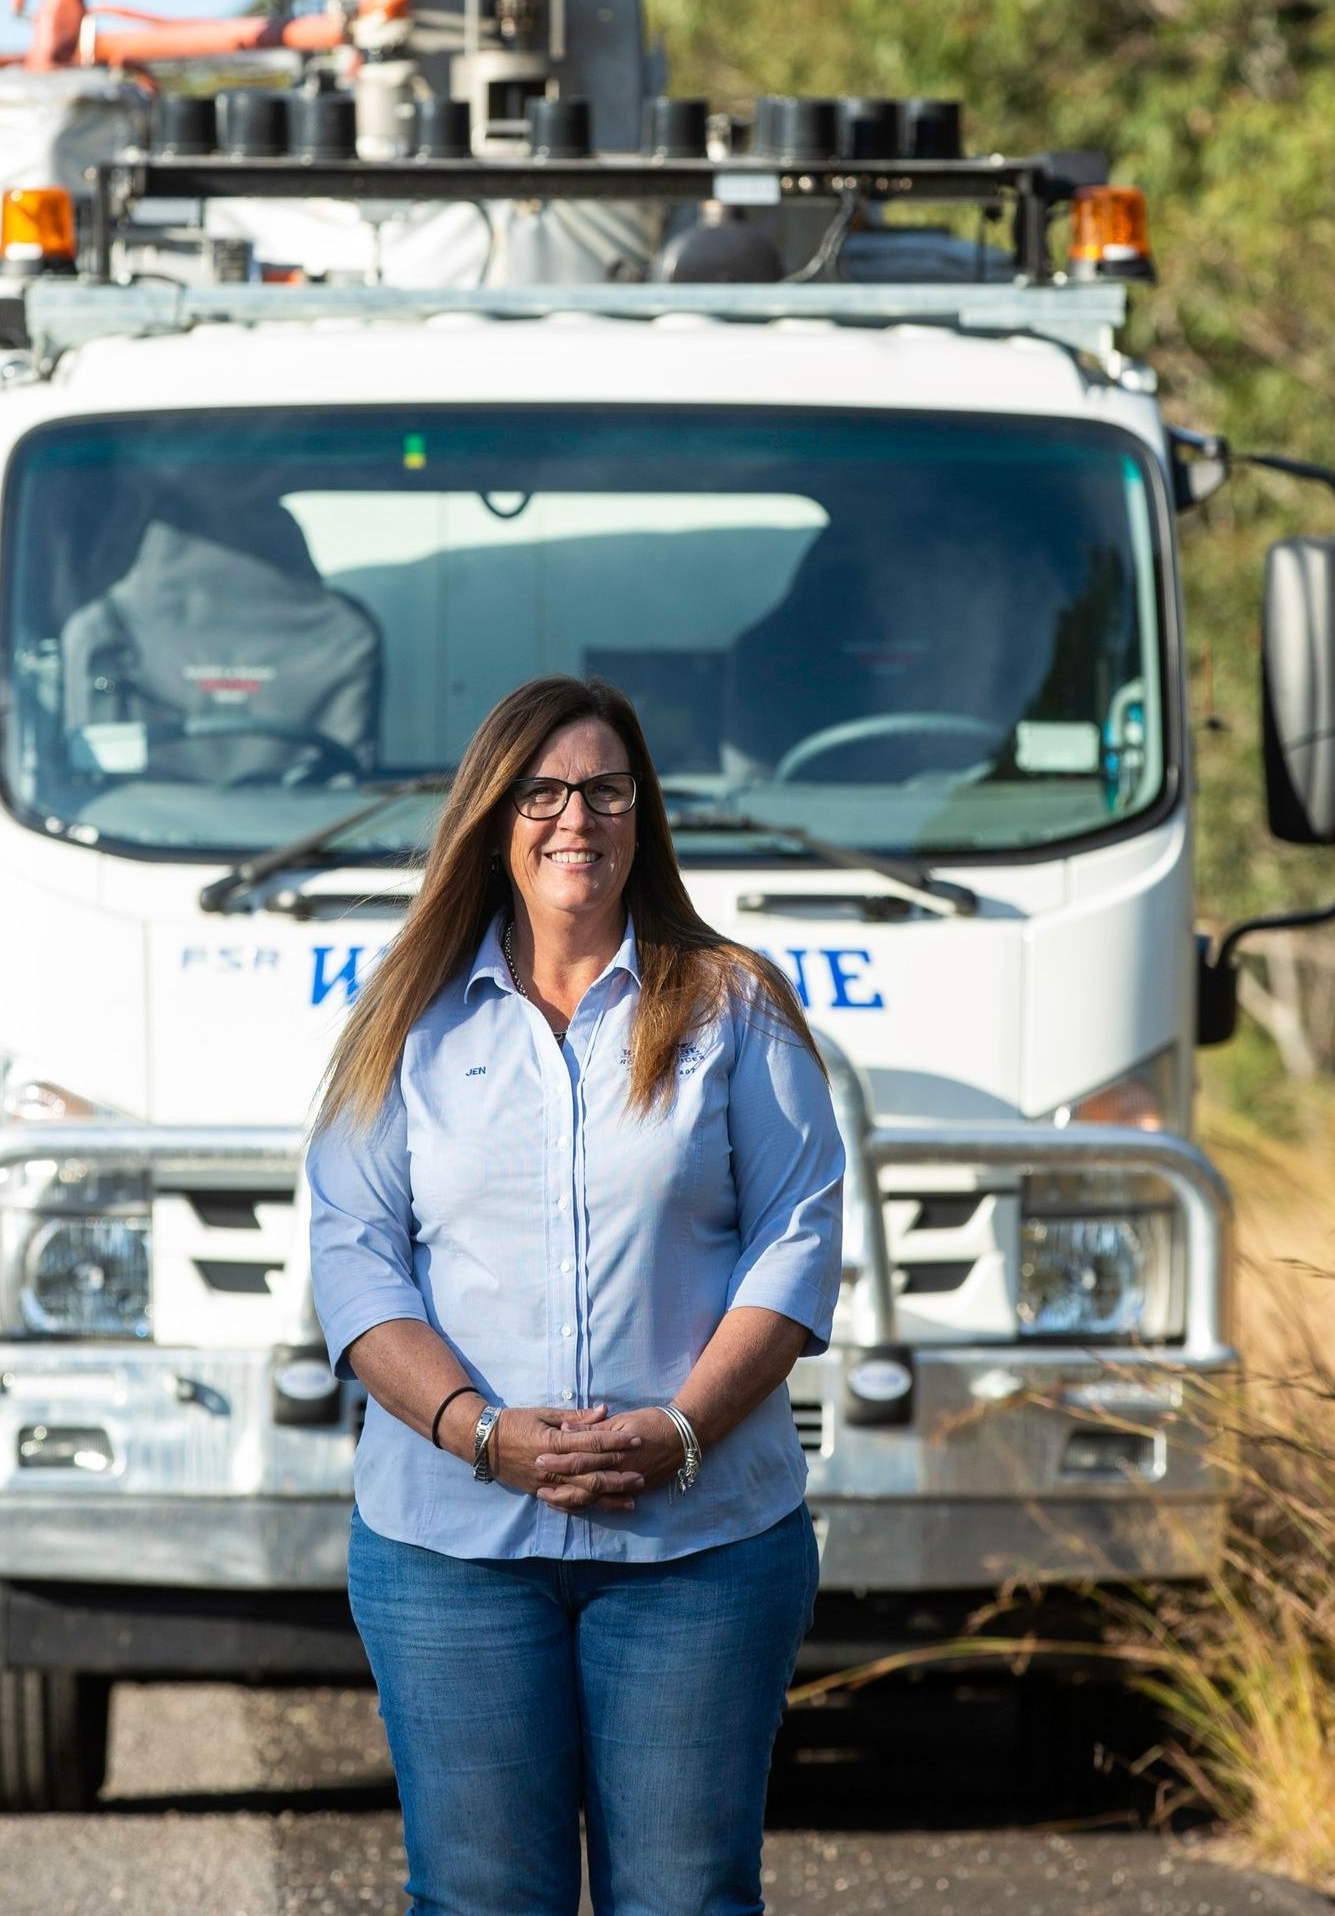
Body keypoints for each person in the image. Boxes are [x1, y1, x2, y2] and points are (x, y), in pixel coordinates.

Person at [306, 673, 845, 1916]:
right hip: (451, 1549)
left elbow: (798, 1237)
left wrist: (684, 1429)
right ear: (493, 817)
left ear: (643, 813)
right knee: (480, 1898)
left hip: (697, 1546)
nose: (577, 818)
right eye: (542, 791)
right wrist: (478, 1433)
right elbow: (355, 1257)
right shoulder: (404, 1021)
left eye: (607, 789)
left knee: (686, 1898)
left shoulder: (733, 1004)